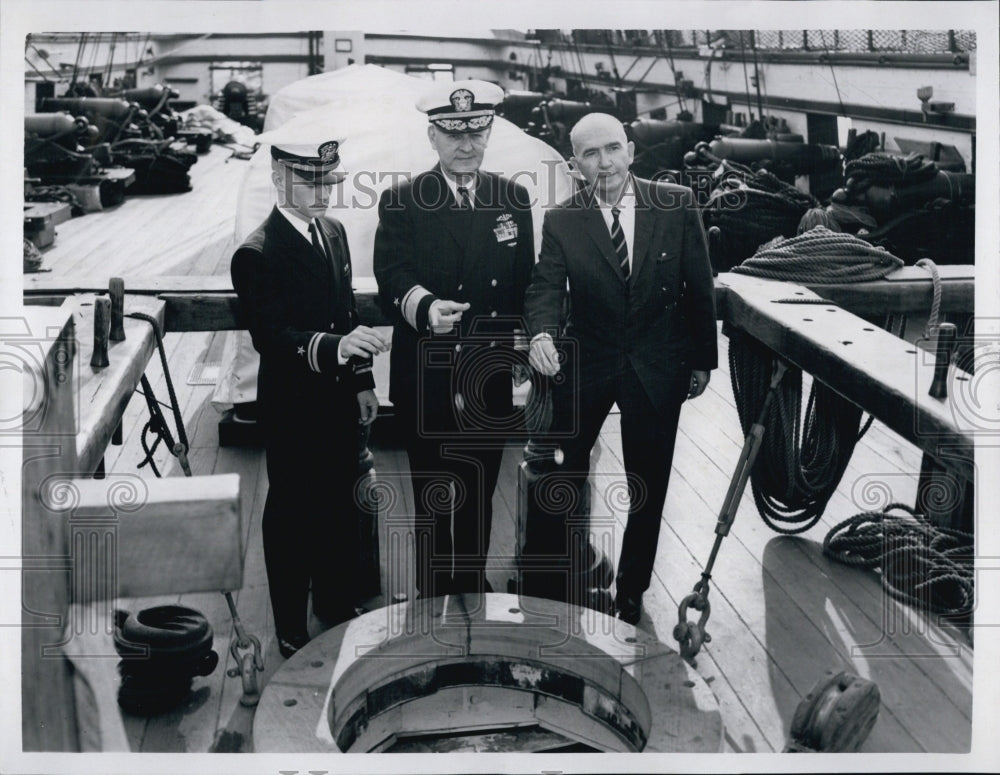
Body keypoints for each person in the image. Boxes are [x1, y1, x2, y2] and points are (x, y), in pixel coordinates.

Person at [523, 112, 717, 624]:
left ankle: (631, 591)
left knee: (646, 487)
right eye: (591, 153)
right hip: (587, 364)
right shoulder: (562, 220)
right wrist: (541, 334)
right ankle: (549, 583)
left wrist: (703, 360)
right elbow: (545, 287)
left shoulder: (676, 204)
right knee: (559, 476)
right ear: (575, 165)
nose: (604, 162)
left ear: (630, 150)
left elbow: (699, 285)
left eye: (612, 148)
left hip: (657, 366)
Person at [373, 80, 535, 599]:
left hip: (487, 374)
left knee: (479, 489)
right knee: (431, 493)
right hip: (428, 371)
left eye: (476, 133)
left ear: (488, 134)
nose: (466, 145)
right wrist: (424, 307)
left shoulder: (512, 197)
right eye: (453, 135)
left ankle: (470, 584)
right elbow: (391, 274)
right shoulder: (403, 199)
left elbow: (522, 284)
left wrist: (522, 348)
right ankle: (431, 588)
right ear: (433, 137)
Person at [230, 136, 390, 658]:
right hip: (293, 406)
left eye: (328, 182)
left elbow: (347, 312)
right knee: (292, 512)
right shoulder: (256, 254)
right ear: (279, 179)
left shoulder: (333, 232)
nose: (323, 193)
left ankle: (336, 602)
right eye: (310, 182)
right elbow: (271, 337)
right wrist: (337, 348)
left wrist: (362, 380)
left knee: (340, 503)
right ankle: (290, 623)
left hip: (339, 399)